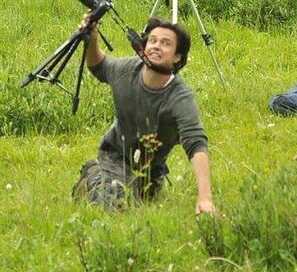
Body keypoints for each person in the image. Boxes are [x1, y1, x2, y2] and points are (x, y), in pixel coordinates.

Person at [73, 15, 214, 215]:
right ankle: (95, 174)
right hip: (114, 157)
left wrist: (205, 199)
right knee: (112, 202)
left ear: (177, 57)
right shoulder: (126, 70)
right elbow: (99, 66)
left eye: (166, 43)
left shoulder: (180, 98)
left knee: (137, 205)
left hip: (150, 172)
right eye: (152, 40)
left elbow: (196, 144)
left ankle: (105, 180)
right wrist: (92, 38)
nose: (156, 46)